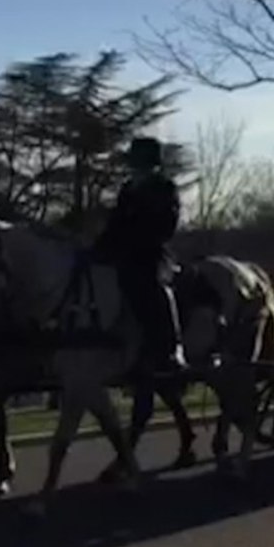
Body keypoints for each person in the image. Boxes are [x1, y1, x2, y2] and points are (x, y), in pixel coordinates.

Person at [93, 139, 185, 372]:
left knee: (155, 288)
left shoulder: (165, 188)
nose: (137, 169)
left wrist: (142, 240)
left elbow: (167, 225)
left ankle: (173, 347)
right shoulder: (128, 189)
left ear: (152, 165)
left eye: (141, 164)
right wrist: (98, 248)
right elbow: (116, 223)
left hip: (153, 252)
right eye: (135, 164)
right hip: (124, 253)